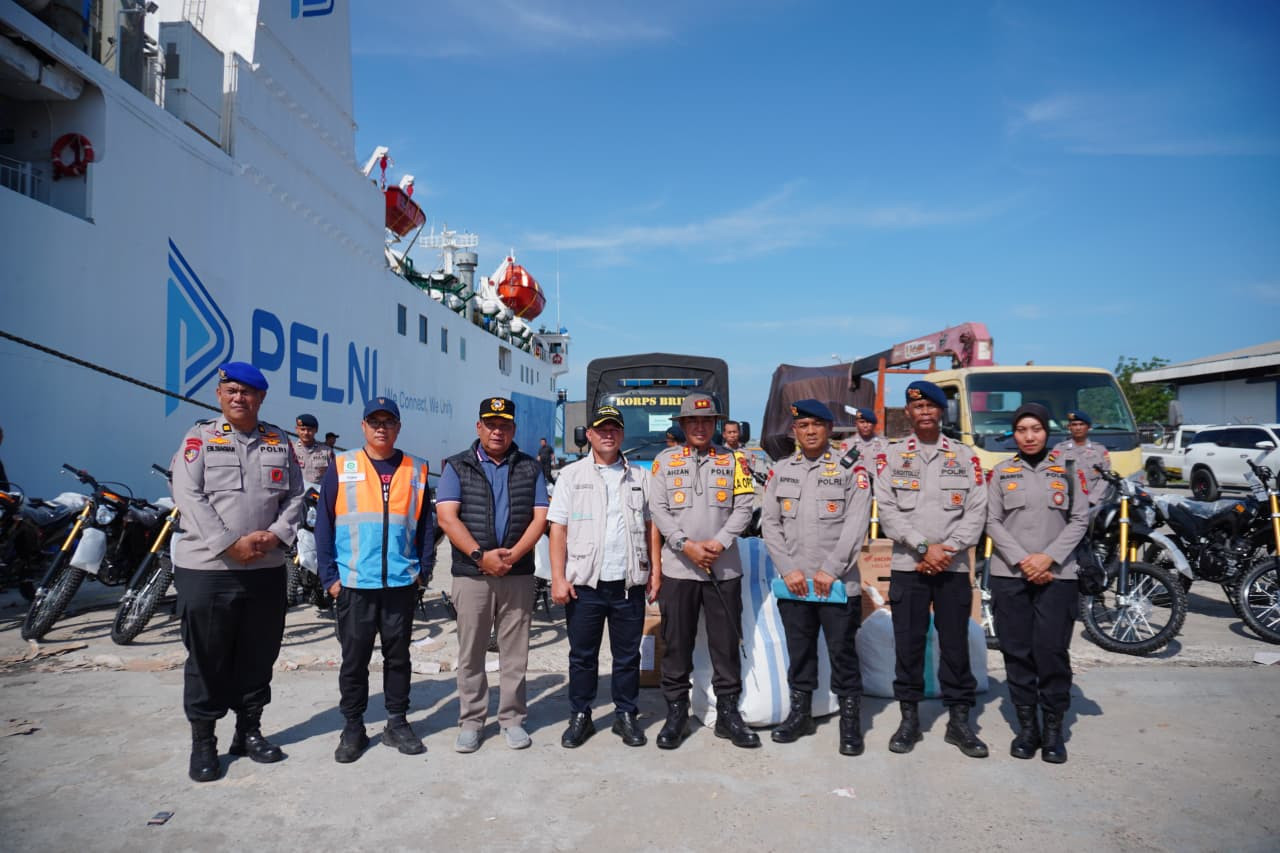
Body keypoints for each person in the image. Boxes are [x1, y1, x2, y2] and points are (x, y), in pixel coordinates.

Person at [169, 362, 304, 782]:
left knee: (258, 655)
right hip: (208, 569)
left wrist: (277, 535)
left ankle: (248, 732)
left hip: (264, 568)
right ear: (219, 394)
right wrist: (230, 542)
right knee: (207, 657)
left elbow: (297, 495)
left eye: (247, 392)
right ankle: (203, 742)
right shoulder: (201, 438)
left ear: (261, 398)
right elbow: (187, 494)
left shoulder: (278, 440)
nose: (239, 397)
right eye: (231, 390)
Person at [315, 397, 434, 764]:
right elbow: (324, 524)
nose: (381, 427)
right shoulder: (342, 465)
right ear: (363, 426)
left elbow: (427, 528)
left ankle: (396, 723)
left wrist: (422, 574)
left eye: (388, 421)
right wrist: (330, 579)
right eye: (374, 421)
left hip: (400, 584)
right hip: (354, 585)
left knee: (399, 658)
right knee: (354, 661)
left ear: (398, 427)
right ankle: (353, 727)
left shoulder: (416, 468)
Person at [875, 380, 989, 758]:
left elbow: (977, 510)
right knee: (907, 644)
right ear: (908, 413)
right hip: (909, 564)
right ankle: (909, 720)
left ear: (942, 412)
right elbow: (887, 511)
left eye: (931, 406)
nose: (924, 412)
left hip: (953, 567)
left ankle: (959, 722)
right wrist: (924, 548)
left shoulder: (964, 456)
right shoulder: (892, 456)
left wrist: (949, 549)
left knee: (955, 645)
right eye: (917, 407)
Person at [436, 397, 549, 753]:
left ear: (513, 429)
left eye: (504, 425)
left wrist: (514, 556)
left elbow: (540, 517)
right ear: (479, 427)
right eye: (491, 424)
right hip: (472, 575)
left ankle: (512, 719)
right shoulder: (457, 466)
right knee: (471, 652)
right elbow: (447, 518)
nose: (497, 431)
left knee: (515, 653)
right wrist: (479, 556)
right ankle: (471, 721)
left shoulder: (531, 468)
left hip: (517, 574)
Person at [761, 400, 874, 755]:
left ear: (829, 428)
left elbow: (856, 528)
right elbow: (770, 524)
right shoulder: (781, 470)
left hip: (838, 585)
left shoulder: (851, 469)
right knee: (800, 652)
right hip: (794, 583)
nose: (809, 431)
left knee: (842, 653)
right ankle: (800, 715)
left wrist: (830, 570)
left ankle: (851, 724)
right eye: (802, 425)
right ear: (794, 430)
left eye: (816, 424)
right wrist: (788, 569)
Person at [649, 393, 759, 750]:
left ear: (715, 425)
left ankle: (728, 714)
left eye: (707, 421)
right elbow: (659, 510)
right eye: (692, 421)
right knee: (677, 644)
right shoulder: (665, 461)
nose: (700, 426)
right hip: (680, 571)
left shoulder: (735, 461)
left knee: (725, 645)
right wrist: (686, 545)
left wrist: (721, 542)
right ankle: (676, 714)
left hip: (722, 569)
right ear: (682, 426)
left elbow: (745, 506)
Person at [548, 405, 659, 748]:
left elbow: (653, 526)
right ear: (591, 435)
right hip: (584, 583)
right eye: (601, 429)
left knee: (627, 656)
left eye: (614, 428)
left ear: (621, 434)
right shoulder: (571, 476)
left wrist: (655, 570)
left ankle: (625, 714)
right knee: (583, 656)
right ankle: (581, 714)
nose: (608, 434)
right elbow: (558, 529)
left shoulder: (641, 477)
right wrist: (558, 578)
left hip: (628, 583)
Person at [985, 403, 1088, 763]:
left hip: (1057, 575)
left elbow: (1079, 520)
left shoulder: (1069, 470)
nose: (1029, 436)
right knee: (1017, 652)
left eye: (1036, 429)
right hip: (1010, 575)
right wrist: (1023, 560)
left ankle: (1054, 731)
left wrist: (1048, 558)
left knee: (1052, 652)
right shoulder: (1001, 472)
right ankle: (1027, 729)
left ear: (1047, 432)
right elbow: (992, 522)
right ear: (1014, 434)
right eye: (1021, 430)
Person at [1053, 411, 1109, 504]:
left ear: (1088, 427)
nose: (1078, 428)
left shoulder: (1100, 451)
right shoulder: (1059, 449)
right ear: (1069, 427)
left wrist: (1092, 500)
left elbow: (1105, 478)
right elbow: (1053, 476)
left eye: (1081, 424)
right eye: (1074, 425)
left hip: (1092, 504)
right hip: (1065, 502)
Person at [293, 413, 335, 486]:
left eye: (309, 430)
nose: (306, 433)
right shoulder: (291, 450)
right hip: (295, 495)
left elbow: (335, 475)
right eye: (302, 429)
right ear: (297, 430)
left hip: (318, 495)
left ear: (316, 430)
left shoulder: (327, 451)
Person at [845, 406, 889, 471]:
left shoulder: (884, 444)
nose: (865, 426)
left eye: (869, 422)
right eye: (862, 422)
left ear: (874, 424)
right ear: (856, 423)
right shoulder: (847, 444)